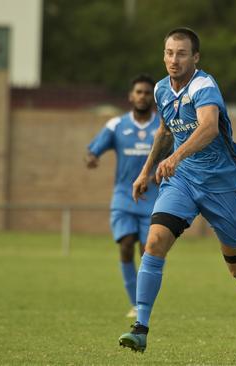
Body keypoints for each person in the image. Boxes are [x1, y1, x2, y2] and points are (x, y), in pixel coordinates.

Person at [118, 27, 236, 353]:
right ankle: (141, 327)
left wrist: (176, 156)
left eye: (180, 53)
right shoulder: (162, 89)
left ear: (195, 57)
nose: (173, 60)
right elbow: (164, 131)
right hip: (183, 181)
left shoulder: (204, 86)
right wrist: (147, 170)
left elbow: (208, 127)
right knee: (154, 241)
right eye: (168, 53)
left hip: (221, 186)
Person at [86, 74, 159, 318]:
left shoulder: (163, 127)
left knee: (147, 251)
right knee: (126, 245)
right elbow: (92, 150)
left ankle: (143, 303)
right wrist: (92, 158)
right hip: (124, 197)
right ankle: (136, 304)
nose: (142, 96)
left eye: (147, 92)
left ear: (153, 98)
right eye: (138, 92)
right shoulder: (116, 125)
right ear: (131, 96)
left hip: (153, 200)